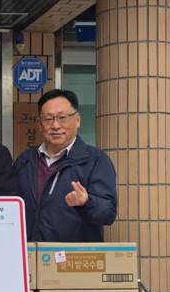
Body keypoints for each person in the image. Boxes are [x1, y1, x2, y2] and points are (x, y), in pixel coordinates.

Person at [14, 88, 117, 242]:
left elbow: (108, 213)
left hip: (73, 255)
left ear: (77, 120)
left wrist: (86, 202)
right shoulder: (26, 160)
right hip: (30, 252)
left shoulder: (95, 160)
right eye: (48, 119)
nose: (55, 125)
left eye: (62, 118)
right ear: (40, 124)